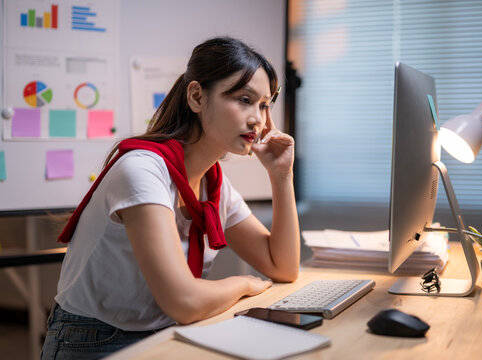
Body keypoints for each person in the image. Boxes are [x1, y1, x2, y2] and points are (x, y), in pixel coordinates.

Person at [41, 36, 300, 359]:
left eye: (264, 105)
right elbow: (184, 302)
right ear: (196, 97)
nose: (258, 120)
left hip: (166, 332)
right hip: (94, 339)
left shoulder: (213, 185)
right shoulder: (142, 171)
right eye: (244, 99)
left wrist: (281, 176)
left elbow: (283, 266)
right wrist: (244, 284)